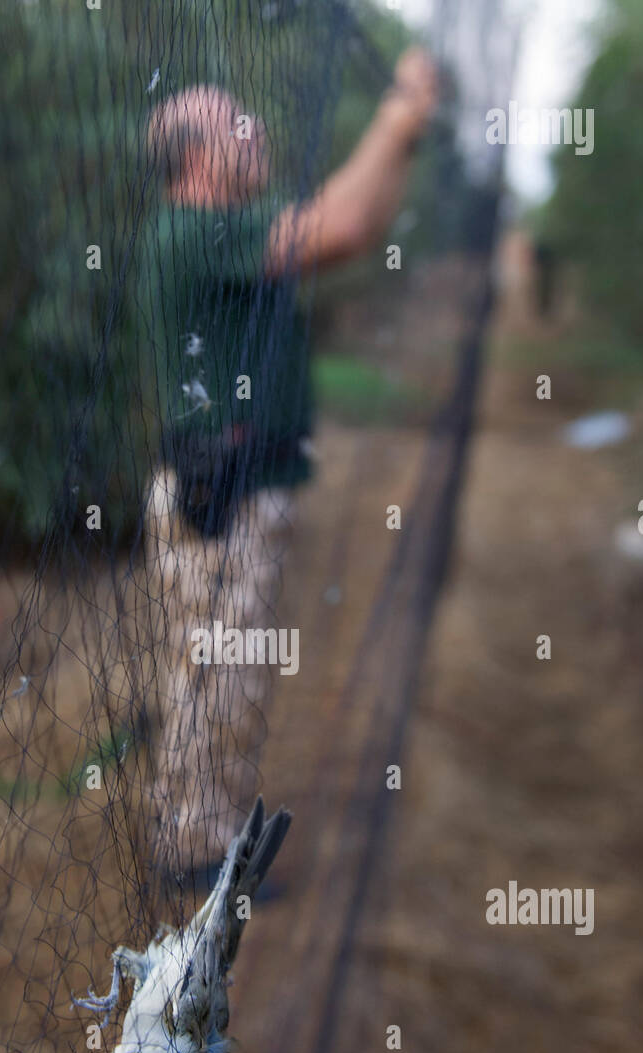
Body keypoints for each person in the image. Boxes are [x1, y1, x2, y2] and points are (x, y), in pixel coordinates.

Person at [139, 47, 438, 882]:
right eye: (234, 121)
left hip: (240, 493)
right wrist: (396, 117)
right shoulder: (195, 233)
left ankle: (211, 838)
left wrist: (402, 136)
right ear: (196, 157)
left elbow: (356, 223)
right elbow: (339, 225)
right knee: (213, 680)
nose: (256, 127)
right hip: (218, 501)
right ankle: (191, 851)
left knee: (226, 678)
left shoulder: (226, 232)